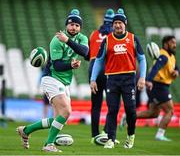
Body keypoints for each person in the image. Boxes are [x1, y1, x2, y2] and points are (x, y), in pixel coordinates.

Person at [16, 9, 89, 153]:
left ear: (80, 27)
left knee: (59, 118)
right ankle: (48, 144)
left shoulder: (82, 38)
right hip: (51, 78)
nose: (74, 27)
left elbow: (85, 52)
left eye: (77, 25)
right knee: (66, 111)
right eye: (71, 24)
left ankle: (26, 130)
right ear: (66, 26)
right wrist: (71, 64)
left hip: (65, 82)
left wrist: (68, 41)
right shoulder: (57, 39)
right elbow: (57, 66)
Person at [90, 8, 147, 149]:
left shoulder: (133, 38)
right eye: (115, 23)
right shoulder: (107, 40)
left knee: (131, 110)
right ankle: (111, 139)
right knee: (112, 110)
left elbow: (142, 58)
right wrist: (92, 79)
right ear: (113, 24)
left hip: (129, 79)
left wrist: (142, 78)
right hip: (112, 79)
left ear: (125, 23)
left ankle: (130, 136)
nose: (117, 25)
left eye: (120, 22)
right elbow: (98, 60)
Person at [137, 35, 179, 141]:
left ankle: (129, 116)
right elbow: (155, 68)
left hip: (160, 86)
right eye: (172, 42)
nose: (175, 45)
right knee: (170, 111)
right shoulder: (163, 56)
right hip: (158, 86)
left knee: (153, 113)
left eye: (175, 42)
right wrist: (149, 80)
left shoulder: (171, 56)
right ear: (166, 44)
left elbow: (176, 66)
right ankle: (160, 134)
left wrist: (176, 71)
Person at [88, 8, 115, 142]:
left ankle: (94, 135)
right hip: (107, 68)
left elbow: (88, 55)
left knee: (95, 105)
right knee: (112, 103)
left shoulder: (93, 34)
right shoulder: (114, 36)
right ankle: (106, 131)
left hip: (93, 68)